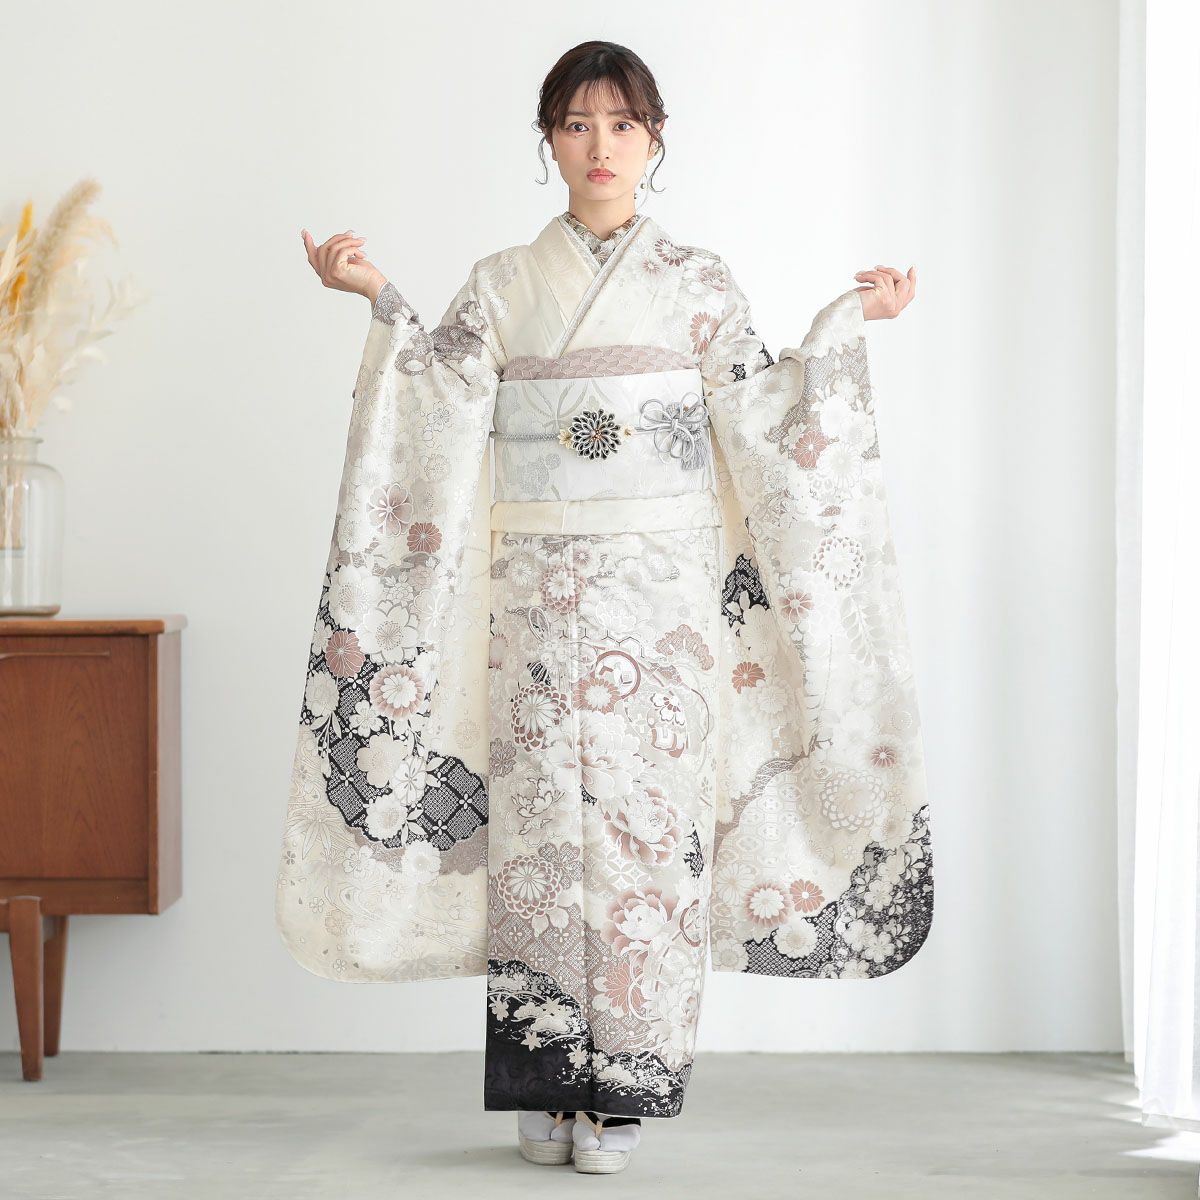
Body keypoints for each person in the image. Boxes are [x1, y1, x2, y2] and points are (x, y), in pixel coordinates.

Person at [282, 40, 926, 1178]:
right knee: (539, 826)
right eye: (576, 125)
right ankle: (545, 1083)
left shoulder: (699, 283)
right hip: (534, 593)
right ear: (548, 139)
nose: (600, 147)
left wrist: (844, 326)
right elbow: (438, 395)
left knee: (645, 831)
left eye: (622, 125)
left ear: (655, 138)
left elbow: (765, 410)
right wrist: (377, 296)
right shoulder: (502, 283)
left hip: (660, 600)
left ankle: (621, 1094)